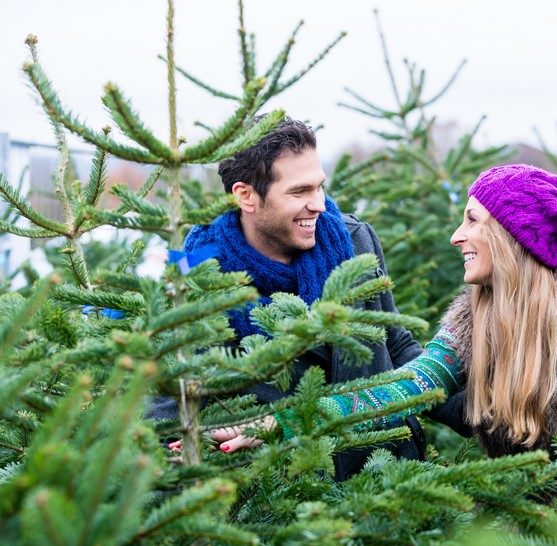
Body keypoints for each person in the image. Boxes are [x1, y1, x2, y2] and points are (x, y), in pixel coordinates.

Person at [208, 164, 557, 490]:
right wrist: (282, 424)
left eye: (472, 220)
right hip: (517, 515)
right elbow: (406, 386)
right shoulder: (473, 316)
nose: (456, 236)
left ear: (512, 235)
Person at [154, 117, 467, 481]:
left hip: (391, 474)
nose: (318, 204)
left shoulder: (355, 240)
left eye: (320, 187)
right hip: (291, 497)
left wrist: (491, 424)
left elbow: (396, 345)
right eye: (299, 192)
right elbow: (164, 392)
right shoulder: (195, 272)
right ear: (246, 195)